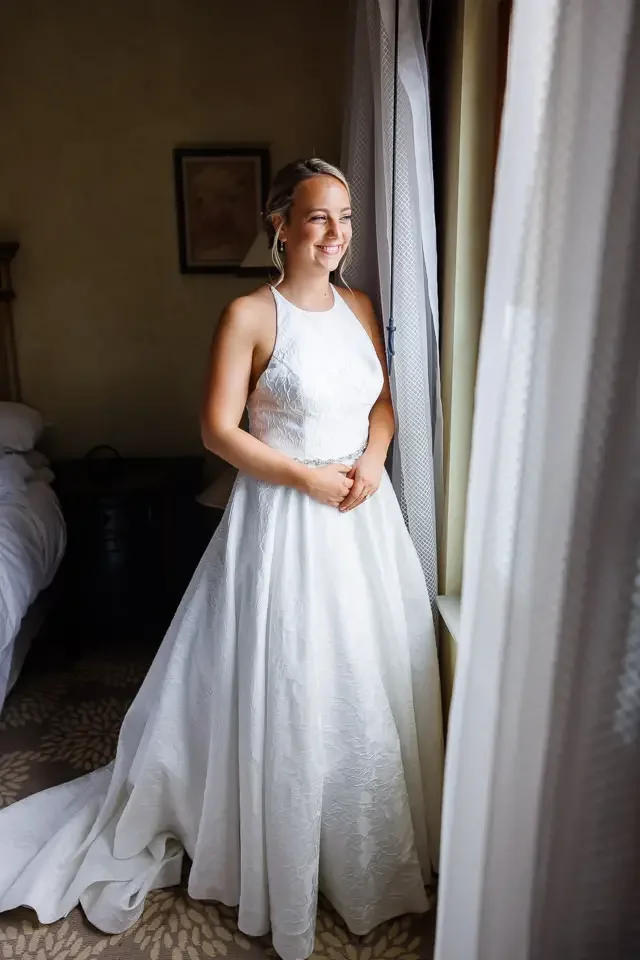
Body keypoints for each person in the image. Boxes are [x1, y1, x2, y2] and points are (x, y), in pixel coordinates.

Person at [0, 159, 443, 960]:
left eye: (344, 217)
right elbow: (219, 432)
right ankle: (275, 841)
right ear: (280, 224)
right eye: (317, 217)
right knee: (293, 678)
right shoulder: (249, 313)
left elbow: (381, 400)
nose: (336, 234)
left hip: (362, 519)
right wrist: (308, 475)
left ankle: (359, 841)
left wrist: (374, 460)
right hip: (286, 519)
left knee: (362, 677)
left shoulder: (360, 305)